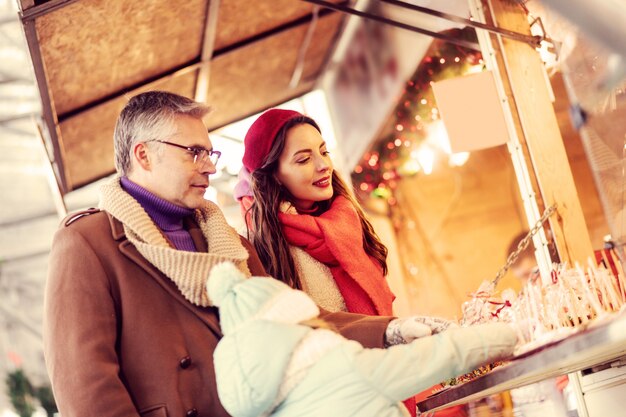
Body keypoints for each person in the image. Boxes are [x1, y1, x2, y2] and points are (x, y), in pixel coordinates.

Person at [43, 91, 418, 417]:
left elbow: (298, 320)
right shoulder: (86, 242)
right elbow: (87, 387)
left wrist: (393, 330)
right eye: (193, 152)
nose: (210, 166)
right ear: (143, 155)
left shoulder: (229, 242)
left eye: (210, 152)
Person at [235, 109, 457, 415]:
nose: (323, 165)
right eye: (303, 159)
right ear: (272, 174)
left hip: (390, 382)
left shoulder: (347, 222)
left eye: (323, 152)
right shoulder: (260, 249)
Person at [207, 262, 520, 417]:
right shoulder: (344, 368)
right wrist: (509, 334)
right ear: (297, 322)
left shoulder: (268, 407)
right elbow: (439, 356)